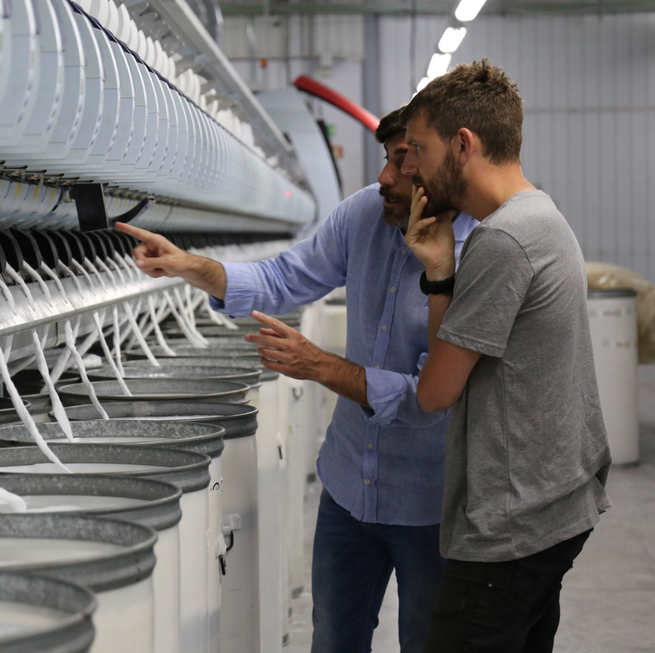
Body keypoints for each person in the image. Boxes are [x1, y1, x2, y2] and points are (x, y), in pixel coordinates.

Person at [117, 107, 478, 653]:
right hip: (349, 482)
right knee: (333, 639)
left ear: (445, 161)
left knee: (429, 643)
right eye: (387, 158)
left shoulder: (481, 251)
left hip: (432, 501)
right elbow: (284, 277)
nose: (384, 176)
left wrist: (319, 365)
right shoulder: (365, 213)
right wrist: (190, 265)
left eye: (405, 161)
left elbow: (433, 396)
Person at [399, 59, 611, 653]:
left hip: (512, 528)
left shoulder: (502, 242)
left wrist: (443, 274)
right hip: (556, 505)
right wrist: (441, 272)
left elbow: (435, 392)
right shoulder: (539, 216)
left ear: (462, 144)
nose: (408, 165)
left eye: (417, 148)